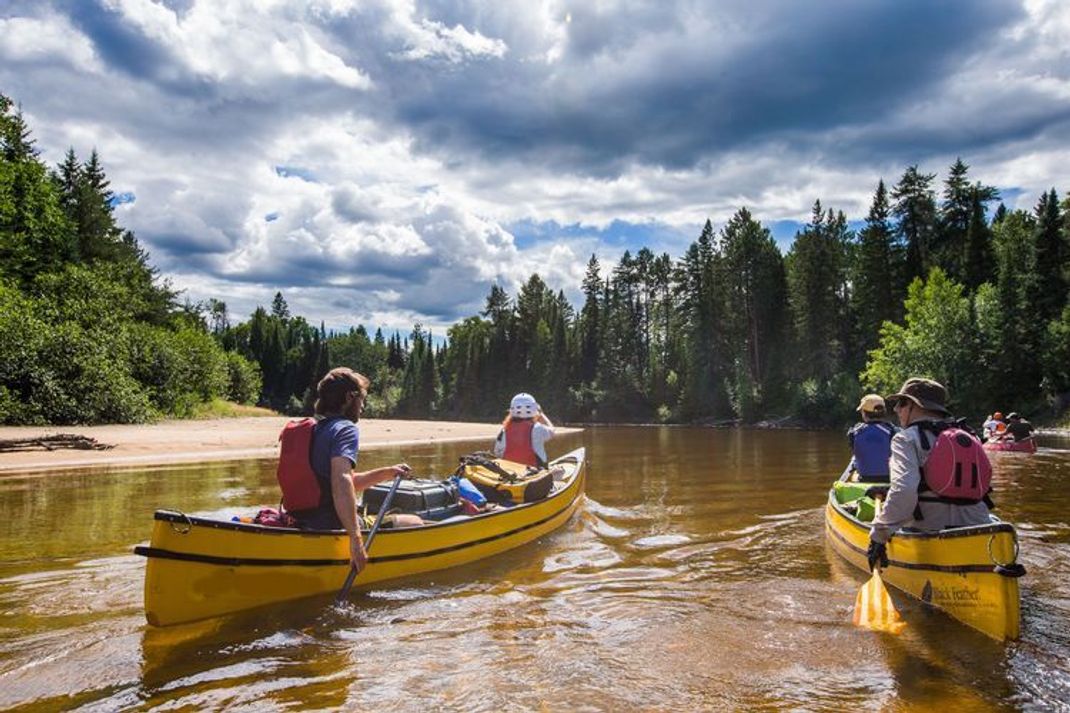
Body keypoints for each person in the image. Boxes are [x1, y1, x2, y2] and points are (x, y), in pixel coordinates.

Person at [290, 367, 420, 575]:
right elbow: (341, 481)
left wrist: (388, 472)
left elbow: (345, 482)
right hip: (329, 523)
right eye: (362, 399)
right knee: (413, 522)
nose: (363, 406)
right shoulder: (345, 429)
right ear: (350, 397)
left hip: (303, 518)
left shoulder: (317, 429)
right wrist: (356, 539)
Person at [867, 377, 992, 570]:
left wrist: (878, 536)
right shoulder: (970, 435)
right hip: (979, 527)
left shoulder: (906, 439)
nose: (895, 409)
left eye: (901, 403)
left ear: (912, 405)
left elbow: (904, 492)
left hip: (931, 530)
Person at [493, 392, 555, 468]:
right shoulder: (537, 427)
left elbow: (497, 452)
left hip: (509, 472)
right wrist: (542, 415)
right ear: (533, 410)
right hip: (534, 471)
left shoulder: (504, 430)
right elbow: (552, 431)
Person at [846, 394, 897, 482]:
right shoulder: (893, 431)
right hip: (888, 479)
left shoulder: (854, 432)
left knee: (855, 474)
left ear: (864, 413)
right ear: (884, 412)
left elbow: (856, 452)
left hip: (864, 479)